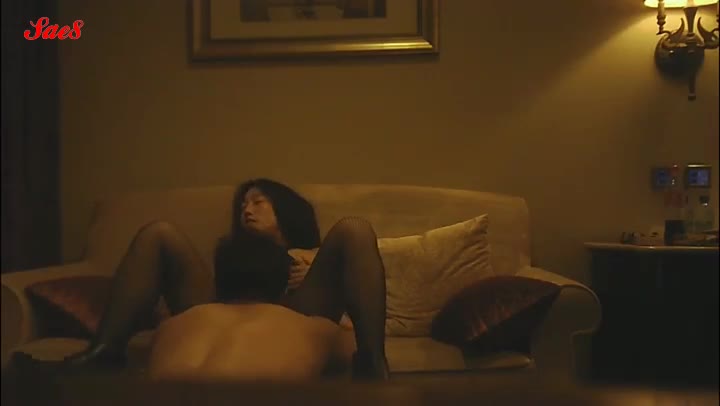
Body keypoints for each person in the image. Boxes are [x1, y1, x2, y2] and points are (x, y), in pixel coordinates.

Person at [14, 179, 389, 381]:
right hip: (228, 304)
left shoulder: (322, 255)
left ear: (286, 211)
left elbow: (348, 310)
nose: (246, 209)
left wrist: (316, 272)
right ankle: (105, 349)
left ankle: (373, 362)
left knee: (355, 228)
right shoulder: (231, 249)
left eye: (258, 201)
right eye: (243, 204)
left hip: (298, 311)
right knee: (159, 233)